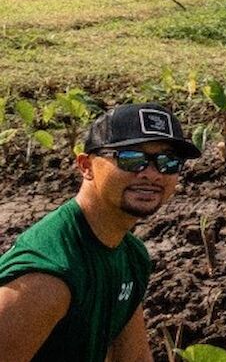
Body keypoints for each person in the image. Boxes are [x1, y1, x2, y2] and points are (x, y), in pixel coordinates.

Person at [0, 104, 201, 362]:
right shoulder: (50, 275)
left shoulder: (131, 255)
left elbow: (134, 357)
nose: (152, 174)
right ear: (86, 166)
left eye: (168, 162)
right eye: (131, 158)